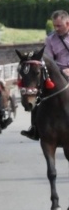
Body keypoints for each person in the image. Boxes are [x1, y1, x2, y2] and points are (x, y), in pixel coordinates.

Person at [22, 10, 69, 140]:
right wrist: (58, 71)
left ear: (68, 23)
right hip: (57, 73)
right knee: (38, 97)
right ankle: (35, 128)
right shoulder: (50, 39)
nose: (56, 28)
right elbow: (48, 59)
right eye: (54, 25)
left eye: (59, 25)